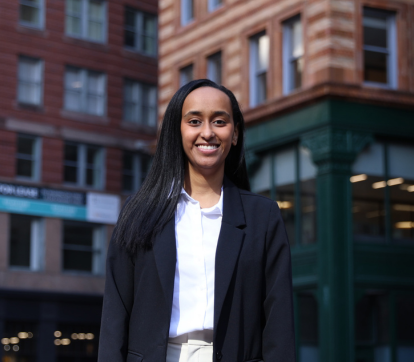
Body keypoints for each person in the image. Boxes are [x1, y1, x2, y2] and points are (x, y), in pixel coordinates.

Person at [98, 79, 295, 362]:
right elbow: (115, 314)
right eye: (194, 121)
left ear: (235, 133)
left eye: (219, 121)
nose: (207, 133)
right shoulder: (138, 212)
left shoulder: (263, 217)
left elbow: (279, 320)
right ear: (176, 132)